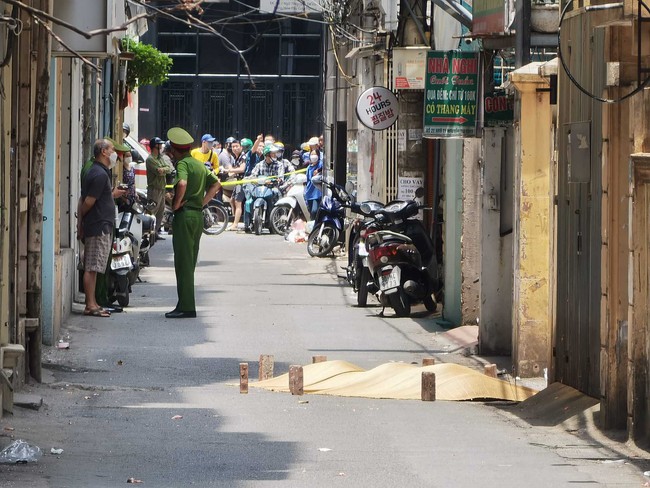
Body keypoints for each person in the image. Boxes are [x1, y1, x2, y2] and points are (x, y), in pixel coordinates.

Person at [165, 127, 221, 319]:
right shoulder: (198, 164)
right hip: (197, 216)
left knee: (183, 263)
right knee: (190, 260)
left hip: (185, 216)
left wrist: (177, 203)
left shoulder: (183, 165)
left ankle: (187, 306)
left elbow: (181, 184)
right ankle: (184, 303)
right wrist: (203, 202)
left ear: (174, 149)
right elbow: (216, 184)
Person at [77, 139, 127, 317]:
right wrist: (81, 220)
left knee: (96, 266)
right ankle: (90, 305)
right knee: (91, 266)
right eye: (112, 149)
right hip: (98, 225)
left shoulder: (101, 172)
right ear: (104, 152)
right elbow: (88, 201)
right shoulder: (98, 174)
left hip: (100, 224)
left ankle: (93, 303)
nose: (115, 153)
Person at [146, 137, 172, 238]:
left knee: (160, 212)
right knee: (152, 211)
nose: (161, 147)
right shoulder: (150, 159)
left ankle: (155, 233)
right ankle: (149, 234)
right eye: (159, 145)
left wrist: (163, 169)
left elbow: (169, 169)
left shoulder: (160, 157)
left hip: (162, 188)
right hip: (154, 189)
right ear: (155, 146)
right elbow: (159, 172)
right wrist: (164, 169)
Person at [305, 148, 323, 220]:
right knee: (310, 212)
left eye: (315, 154)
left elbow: (325, 167)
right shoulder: (309, 167)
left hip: (317, 193)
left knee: (314, 211)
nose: (313, 156)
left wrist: (318, 170)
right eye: (312, 154)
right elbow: (307, 180)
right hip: (309, 192)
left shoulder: (320, 164)